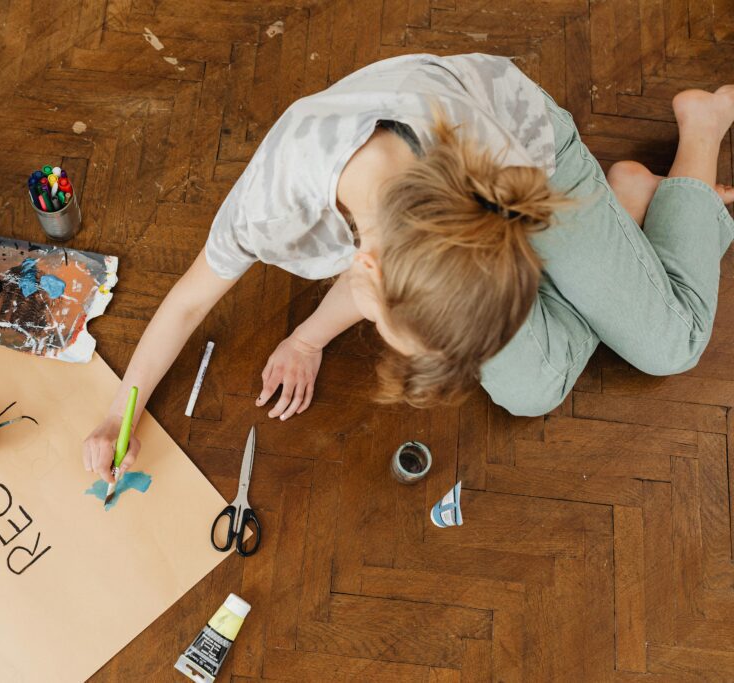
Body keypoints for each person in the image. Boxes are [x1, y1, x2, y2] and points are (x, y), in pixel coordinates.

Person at [83, 52, 734, 483]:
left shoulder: (499, 170)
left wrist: (313, 332)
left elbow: (410, 277)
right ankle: (627, 211)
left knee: (671, 344)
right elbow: (191, 301)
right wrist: (121, 411)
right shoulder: (269, 203)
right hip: (472, 189)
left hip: (539, 164)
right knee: (530, 390)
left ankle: (696, 134)